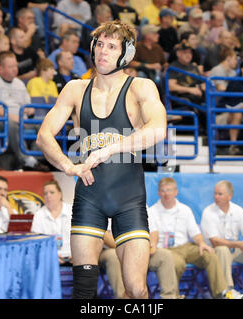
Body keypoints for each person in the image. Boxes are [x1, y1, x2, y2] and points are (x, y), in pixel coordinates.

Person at [36, 20, 167, 299]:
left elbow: (158, 129)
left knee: (136, 288)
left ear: (126, 54)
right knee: (83, 291)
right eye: (99, 45)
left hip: (128, 199)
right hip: (89, 197)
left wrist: (110, 148)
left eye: (111, 46)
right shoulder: (75, 89)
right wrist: (69, 166)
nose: (102, 52)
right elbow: (44, 135)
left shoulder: (140, 87)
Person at [148, 177, 240, 299]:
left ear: (176, 192)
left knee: (209, 255)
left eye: (169, 190)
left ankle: (221, 293)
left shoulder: (185, 210)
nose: (166, 194)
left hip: (186, 247)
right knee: (176, 262)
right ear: (158, 193)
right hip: (166, 250)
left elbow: (195, 233)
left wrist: (202, 243)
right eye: (163, 190)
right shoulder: (152, 211)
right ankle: (174, 296)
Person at [0, 51, 49, 171]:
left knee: (45, 123)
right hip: (2, 121)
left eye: (16, 66)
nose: (15, 69)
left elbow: (27, 106)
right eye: (11, 67)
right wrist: (13, 118)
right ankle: (27, 159)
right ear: (0, 68)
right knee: (12, 125)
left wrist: (29, 109)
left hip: (21, 119)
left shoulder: (19, 83)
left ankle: (35, 160)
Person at [31, 180, 73, 265]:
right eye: (45, 193)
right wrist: (50, 255)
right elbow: (36, 243)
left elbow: (82, 237)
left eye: (52, 192)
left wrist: (78, 254)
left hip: (74, 256)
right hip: (48, 258)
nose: (48, 196)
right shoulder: (39, 215)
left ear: (60, 194)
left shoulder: (72, 211)